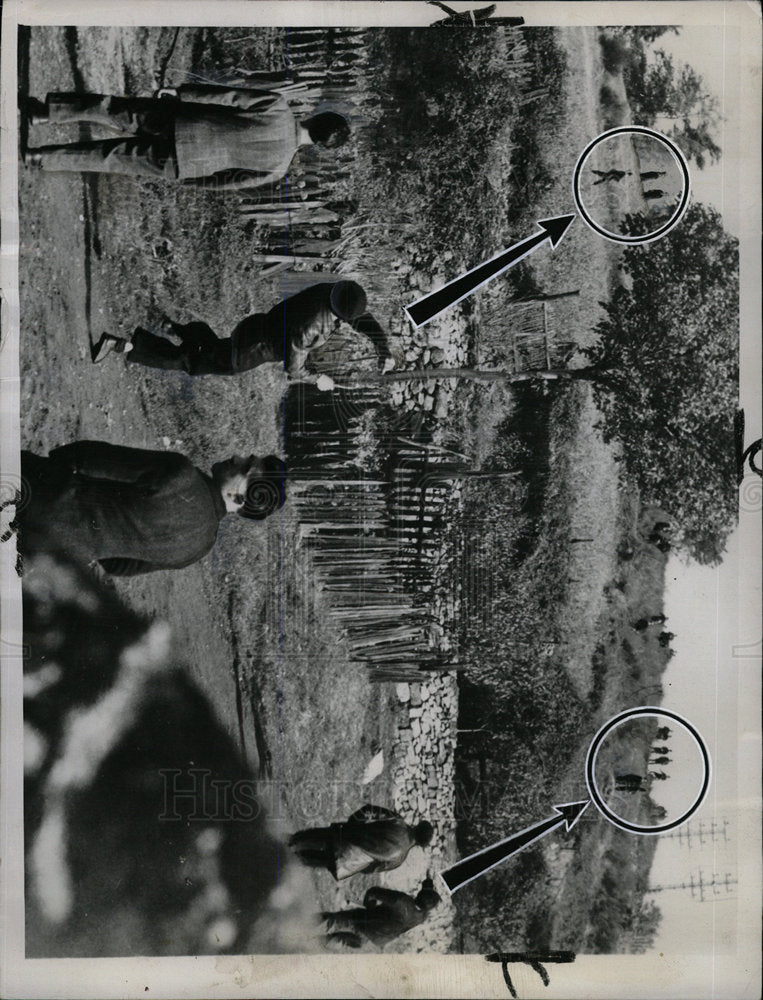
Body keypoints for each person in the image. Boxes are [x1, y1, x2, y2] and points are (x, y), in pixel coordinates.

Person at [16, 440, 286, 575]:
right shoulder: (200, 548)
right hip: (47, 555)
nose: (237, 457)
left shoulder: (182, 475)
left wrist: (46, 466)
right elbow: (119, 567)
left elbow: (86, 457)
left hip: (32, 495)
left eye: (245, 467)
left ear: (239, 499)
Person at [21, 86, 350, 188]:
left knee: (113, 109)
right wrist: (192, 181)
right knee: (107, 158)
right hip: (185, 164)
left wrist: (180, 92)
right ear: (321, 146)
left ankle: (44, 113)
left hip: (181, 121)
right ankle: (39, 157)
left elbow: (227, 96)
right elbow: (227, 182)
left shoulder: (278, 106)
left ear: (317, 116)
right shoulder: (278, 168)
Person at [91, 280, 401, 377]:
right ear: (341, 315)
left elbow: (362, 318)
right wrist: (314, 378)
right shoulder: (314, 327)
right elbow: (294, 366)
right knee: (191, 363)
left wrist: (383, 348)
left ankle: (175, 327)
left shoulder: (329, 291)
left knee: (210, 346)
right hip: (251, 352)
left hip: (254, 328)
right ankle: (120, 345)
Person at [289, 804, 434, 880]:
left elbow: (368, 810)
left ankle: (286, 843)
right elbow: (369, 870)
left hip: (345, 835)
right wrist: (355, 863)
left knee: (305, 838)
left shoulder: (398, 821)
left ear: (418, 825)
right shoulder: (398, 860)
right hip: (345, 862)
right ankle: (286, 861)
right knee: (303, 860)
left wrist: (353, 825)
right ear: (420, 845)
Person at [322, 878, 441, 949]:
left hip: (366, 922)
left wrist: (369, 906)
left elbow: (373, 892)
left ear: (420, 894)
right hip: (377, 938)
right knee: (341, 940)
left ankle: (308, 925)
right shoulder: (422, 917)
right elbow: (424, 902)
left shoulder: (402, 900)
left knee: (335, 920)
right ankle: (317, 943)